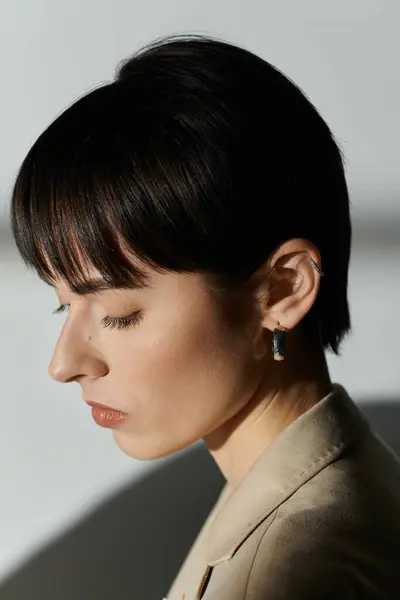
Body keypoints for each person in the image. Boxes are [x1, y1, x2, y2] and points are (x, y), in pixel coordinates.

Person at [9, 33, 400, 599]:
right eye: (63, 305)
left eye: (119, 313)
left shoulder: (302, 568)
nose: (64, 363)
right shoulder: (310, 497)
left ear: (284, 289)